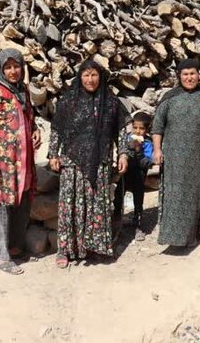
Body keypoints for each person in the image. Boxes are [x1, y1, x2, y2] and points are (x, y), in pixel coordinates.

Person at [49, 59, 129, 268]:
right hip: (72, 161)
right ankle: (66, 250)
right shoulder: (69, 101)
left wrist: (123, 154)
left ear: (100, 77)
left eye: (94, 75)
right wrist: (53, 154)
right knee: (70, 207)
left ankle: (95, 248)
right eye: (86, 75)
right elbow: (57, 129)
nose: (90, 79)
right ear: (80, 77)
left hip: (100, 161)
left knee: (97, 207)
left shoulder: (110, 102)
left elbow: (120, 131)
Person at [0, 48, 42, 275]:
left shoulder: (23, 90)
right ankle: (0, 256)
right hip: (2, 160)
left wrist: (35, 130)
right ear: (1, 69)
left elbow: (28, 117)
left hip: (23, 158)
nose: (13, 71)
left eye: (17, 66)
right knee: (2, 204)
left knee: (22, 200)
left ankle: (15, 248)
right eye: (8, 67)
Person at [151, 59, 200, 248]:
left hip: (198, 156)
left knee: (194, 195)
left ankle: (192, 236)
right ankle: (172, 237)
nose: (189, 77)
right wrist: (157, 150)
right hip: (173, 157)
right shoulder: (169, 98)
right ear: (179, 76)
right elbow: (157, 126)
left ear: (198, 75)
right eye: (185, 74)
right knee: (174, 196)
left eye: (192, 73)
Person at [113, 111, 153, 241]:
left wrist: (138, 151)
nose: (138, 131)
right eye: (135, 127)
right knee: (118, 197)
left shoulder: (148, 143)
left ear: (147, 129)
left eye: (142, 128)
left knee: (138, 201)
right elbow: (121, 152)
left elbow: (147, 163)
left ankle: (138, 225)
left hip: (139, 177)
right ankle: (116, 221)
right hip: (124, 176)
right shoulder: (127, 138)